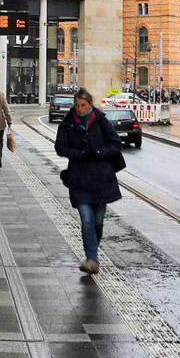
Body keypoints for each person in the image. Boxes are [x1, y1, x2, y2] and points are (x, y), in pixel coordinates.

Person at [54, 89, 122, 277]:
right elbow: (60, 147)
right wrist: (80, 154)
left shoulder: (101, 121)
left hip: (102, 179)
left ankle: (92, 251)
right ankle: (92, 258)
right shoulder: (68, 124)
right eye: (77, 105)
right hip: (80, 179)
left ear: (90, 105)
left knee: (98, 222)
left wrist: (99, 153)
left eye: (83, 105)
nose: (80, 109)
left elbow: (116, 144)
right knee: (87, 220)